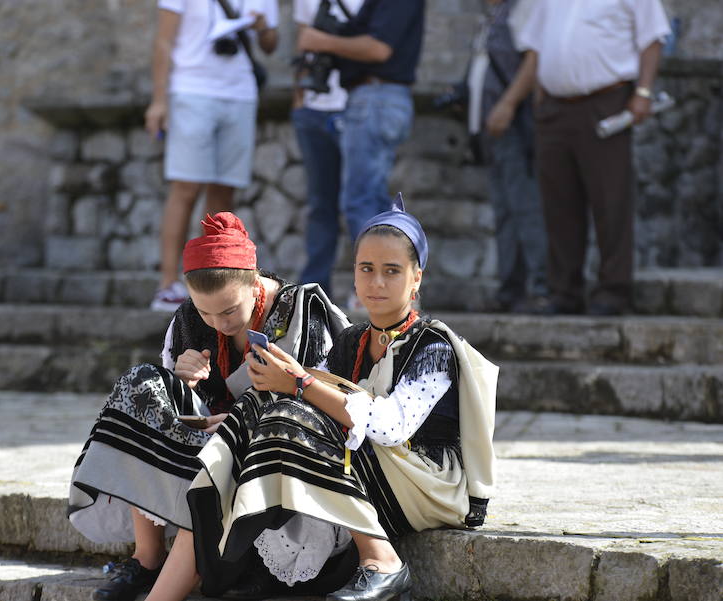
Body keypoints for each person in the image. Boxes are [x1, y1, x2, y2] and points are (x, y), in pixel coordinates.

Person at [187, 195, 498, 601]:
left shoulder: (432, 344)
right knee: (262, 407)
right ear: (354, 273)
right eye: (366, 269)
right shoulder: (352, 339)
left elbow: (389, 428)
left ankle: (382, 561)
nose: (377, 283)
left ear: (416, 278)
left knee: (291, 413)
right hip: (377, 470)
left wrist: (299, 382)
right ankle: (250, 555)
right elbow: (314, 402)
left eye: (392, 271)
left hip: (428, 483)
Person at [68, 212, 350, 601]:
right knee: (143, 384)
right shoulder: (187, 320)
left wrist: (237, 420)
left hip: (272, 458)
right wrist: (181, 382)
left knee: (235, 443)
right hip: (205, 451)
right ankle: (147, 558)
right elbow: (170, 402)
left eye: (230, 311)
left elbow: (316, 411)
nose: (218, 324)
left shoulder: (303, 315)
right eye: (206, 312)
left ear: (254, 284)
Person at [513, 0, 671, 315]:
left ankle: (614, 291)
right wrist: (540, 100)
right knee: (558, 203)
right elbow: (536, 48)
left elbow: (652, 37)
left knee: (611, 200)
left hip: (606, 101)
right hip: (555, 109)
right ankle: (564, 292)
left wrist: (643, 92)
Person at [146, 0, 279, 311]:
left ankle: (213, 281)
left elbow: (271, 44)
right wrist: (158, 101)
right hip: (191, 90)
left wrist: (261, 27)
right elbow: (164, 39)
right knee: (186, 188)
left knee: (224, 191)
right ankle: (167, 284)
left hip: (240, 93)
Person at [297, 0, 425, 243]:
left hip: (375, 99)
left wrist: (321, 41)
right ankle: (385, 276)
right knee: (373, 202)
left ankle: (378, 278)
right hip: (372, 99)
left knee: (362, 202)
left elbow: (379, 49)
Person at [467, 0, 548, 313]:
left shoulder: (524, 8)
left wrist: (508, 104)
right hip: (491, 129)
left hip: (513, 124)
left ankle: (540, 288)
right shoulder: (492, 15)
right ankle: (510, 289)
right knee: (505, 211)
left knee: (525, 207)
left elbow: (533, 59)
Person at [292, 0, 364, 296]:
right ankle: (316, 289)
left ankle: (373, 289)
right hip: (314, 109)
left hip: (356, 106)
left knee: (360, 202)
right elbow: (303, 47)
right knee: (320, 204)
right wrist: (299, 101)